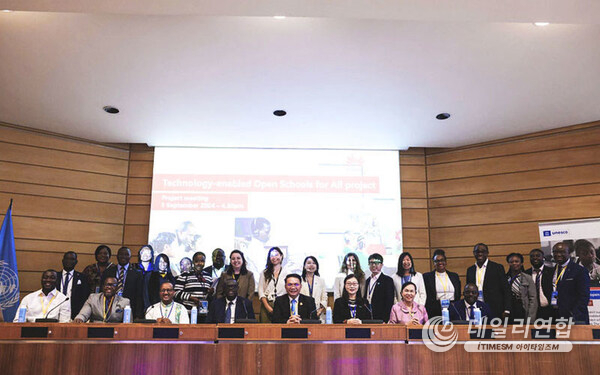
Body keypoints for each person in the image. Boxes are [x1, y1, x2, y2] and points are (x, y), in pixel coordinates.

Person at [466, 243, 511, 319]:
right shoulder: (470, 270)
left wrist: (507, 310)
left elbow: (506, 290)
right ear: (474, 253)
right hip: (476, 308)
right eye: (477, 252)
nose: (480, 254)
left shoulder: (497, 268)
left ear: (487, 253)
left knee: (493, 330)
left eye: (482, 251)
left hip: (494, 308)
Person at [551, 242, 590, 323]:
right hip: (556, 316)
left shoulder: (579, 270)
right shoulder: (552, 270)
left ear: (569, 253)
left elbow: (584, 296)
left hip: (575, 317)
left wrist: (574, 313)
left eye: (562, 252)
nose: (558, 255)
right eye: (555, 252)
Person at [103, 247, 144, 319]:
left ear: (130, 256)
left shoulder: (137, 273)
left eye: (126, 254)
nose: (123, 257)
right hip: (110, 307)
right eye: (121, 254)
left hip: (130, 309)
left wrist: (138, 315)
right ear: (117, 256)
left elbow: (139, 295)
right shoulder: (108, 271)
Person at [423, 249, 461, 318]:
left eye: (442, 260)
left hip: (452, 309)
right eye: (437, 261)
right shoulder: (427, 277)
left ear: (446, 262)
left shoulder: (454, 276)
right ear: (434, 263)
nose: (440, 263)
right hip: (435, 311)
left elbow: (458, 294)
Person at [174, 251, 213, 318]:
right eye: (197, 261)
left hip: (203, 312)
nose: (199, 263)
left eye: (202, 261)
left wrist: (210, 292)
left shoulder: (208, 276)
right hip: (187, 312)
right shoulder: (184, 275)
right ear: (193, 262)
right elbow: (176, 293)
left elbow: (210, 295)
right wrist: (191, 298)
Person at [56, 251, 90, 319]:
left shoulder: (82, 277)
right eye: (67, 259)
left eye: (72, 259)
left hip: (74, 313)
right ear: (63, 261)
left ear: (76, 262)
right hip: (56, 310)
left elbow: (85, 296)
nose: (69, 261)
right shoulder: (56, 276)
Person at [524, 248, 556, 321]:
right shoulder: (526, 274)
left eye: (538, 256)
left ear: (543, 258)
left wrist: (555, 304)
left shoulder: (552, 271)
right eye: (532, 256)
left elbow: (556, 289)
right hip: (532, 311)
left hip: (549, 310)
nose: (535, 258)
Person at [258, 247, 287, 322]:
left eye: (277, 255)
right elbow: (261, 291)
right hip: (267, 303)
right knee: (265, 330)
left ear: (281, 256)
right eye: (272, 255)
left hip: (282, 304)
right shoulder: (264, 273)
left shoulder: (287, 272)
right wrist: (268, 307)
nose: (274, 257)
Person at [505, 253, 537, 323]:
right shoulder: (505, 278)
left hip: (522, 307)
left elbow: (533, 298)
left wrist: (531, 318)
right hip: (509, 309)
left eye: (516, 261)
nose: (514, 263)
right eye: (511, 262)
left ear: (521, 263)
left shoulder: (527, 278)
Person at [363, 253, 395, 322]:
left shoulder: (387, 280)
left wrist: (385, 320)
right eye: (371, 263)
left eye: (376, 263)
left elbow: (389, 302)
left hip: (381, 318)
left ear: (382, 265)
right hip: (367, 316)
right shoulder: (367, 280)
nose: (374, 265)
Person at [299, 256, 328, 322]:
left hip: (318, 312)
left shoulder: (321, 280)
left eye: (314, 263)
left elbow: (324, 298)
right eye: (309, 263)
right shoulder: (299, 280)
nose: (311, 265)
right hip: (303, 312)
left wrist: (320, 311)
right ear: (304, 266)